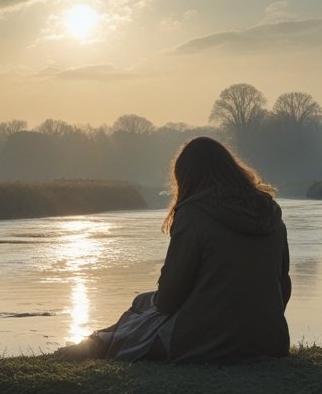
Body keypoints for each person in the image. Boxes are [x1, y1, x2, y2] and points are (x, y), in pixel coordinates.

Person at [59, 136, 291, 362]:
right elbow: (283, 287)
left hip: (207, 342)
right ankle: (100, 341)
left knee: (143, 308)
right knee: (143, 303)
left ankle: (98, 343)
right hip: (269, 340)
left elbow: (168, 299)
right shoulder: (271, 215)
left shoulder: (194, 214)